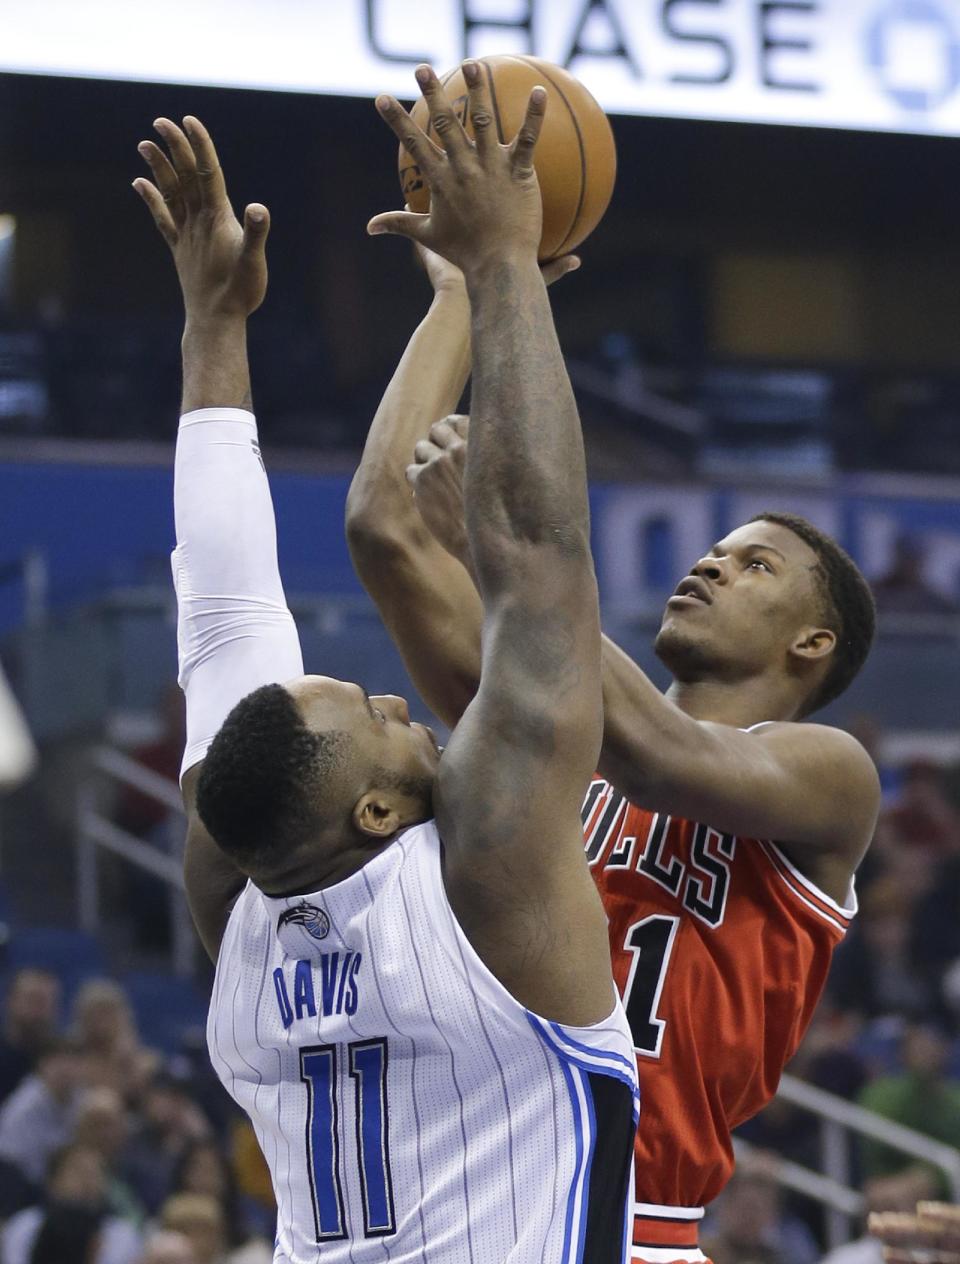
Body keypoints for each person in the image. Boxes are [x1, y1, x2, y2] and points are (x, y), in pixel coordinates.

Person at [132, 70, 637, 1264]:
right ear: (373, 806)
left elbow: (223, 618)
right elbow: (540, 556)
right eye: (378, 714)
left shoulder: (241, 905)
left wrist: (213, 332)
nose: (402, 701)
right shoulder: (491, 876)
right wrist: (506, 267)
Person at [346, 167, 879, 1264]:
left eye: (754, 564)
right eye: (714, 550)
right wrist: (460, 298)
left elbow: (650, 753)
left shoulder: (829, 773)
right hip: (472, 1193)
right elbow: (385, 523)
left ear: (811, 643)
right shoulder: (557, 742)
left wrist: (500, 553)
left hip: (632, 1218)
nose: (707, 565)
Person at [1, 1141, 141, 1264]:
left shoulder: (122, 1233)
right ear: (53, 1181)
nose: (87, 1181)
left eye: (95, 1173)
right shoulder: (25, 1226)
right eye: (78, 1171)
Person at [0, 969, 60, 1104]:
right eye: (33, 1000)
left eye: (47, 1002)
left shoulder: (62, 1058)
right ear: (11, 1001)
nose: (40, 1010)